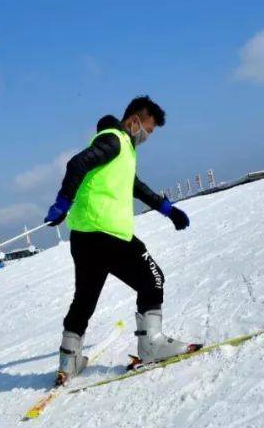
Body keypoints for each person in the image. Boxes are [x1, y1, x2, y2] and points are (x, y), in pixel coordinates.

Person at [43, 95, 199, 384]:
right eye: (148, 130)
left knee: (85, 297)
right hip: (107, 233)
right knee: (153, 280)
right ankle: (151, 344)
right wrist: (63, 201)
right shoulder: (114, 140)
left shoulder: (121, 149)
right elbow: (76, 164)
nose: (147, 137)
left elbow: (135, 186)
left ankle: (69, 358)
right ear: (134, 121)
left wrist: (167, 209)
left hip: (84, 237)